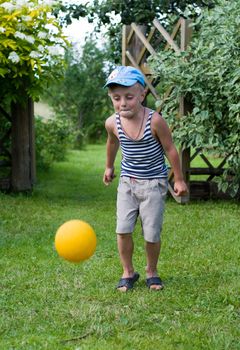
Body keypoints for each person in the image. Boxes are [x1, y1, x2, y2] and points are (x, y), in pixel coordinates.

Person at [103, 66, 188, 292]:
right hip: (127, 183)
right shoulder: (112, 122)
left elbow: (170, 149)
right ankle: (128, 272)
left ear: (142, 95)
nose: (123, 103)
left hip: (153, 184)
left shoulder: (155, 121)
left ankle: (151, 271)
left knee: (151, 232)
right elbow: (112, 143)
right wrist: (109, 166)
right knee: (122, 229)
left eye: (129, 97)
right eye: (116, 98)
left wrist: (178, 180)